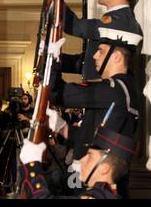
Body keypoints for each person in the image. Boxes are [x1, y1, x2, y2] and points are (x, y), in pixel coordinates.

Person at [46, 26, 142, 197]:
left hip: (96, 177)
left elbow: (56, 93)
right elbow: (93, 135)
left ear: (117, 56)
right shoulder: (125, 88)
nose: (94, 56)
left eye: (100, 51)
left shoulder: (113, 89)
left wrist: (51, 61)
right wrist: (61, 126)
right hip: (92, 174)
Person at [41, 0, 149, 81]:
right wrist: (50, 56)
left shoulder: (120, 21)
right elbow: (85, 63)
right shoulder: (119, 19)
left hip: (105, 95)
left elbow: (74, 26)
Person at [19, 125, 136, 199]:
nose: (82, 159)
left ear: (105, 168)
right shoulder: (106, 193)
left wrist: (32, 165)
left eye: (90, 156)